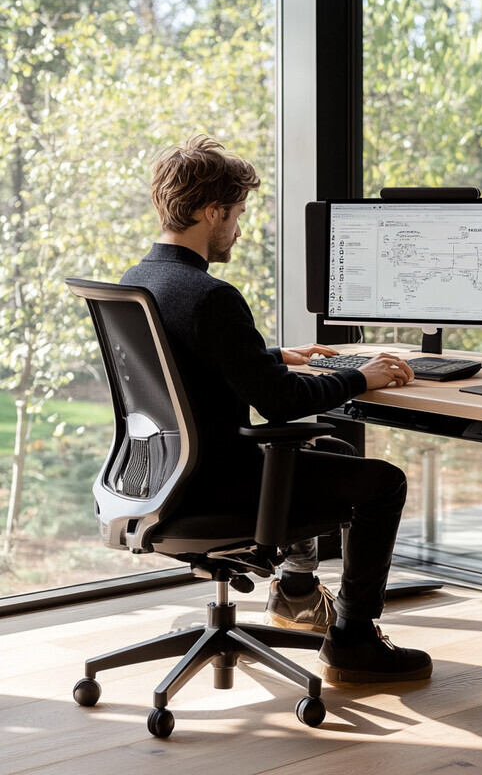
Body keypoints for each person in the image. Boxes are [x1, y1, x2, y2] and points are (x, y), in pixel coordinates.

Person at [121, 135, 432, 684]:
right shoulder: (211, 296)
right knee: (383, 482)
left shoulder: (141, 281)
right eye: (237, 213)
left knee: (328, 450)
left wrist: (268, 355)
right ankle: (355, 642)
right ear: (212, 211)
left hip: (163, 476)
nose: (238, 228)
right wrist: (360, 376)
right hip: (216, 483)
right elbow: (282, 402)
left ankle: (296, 593)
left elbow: (186, 361)